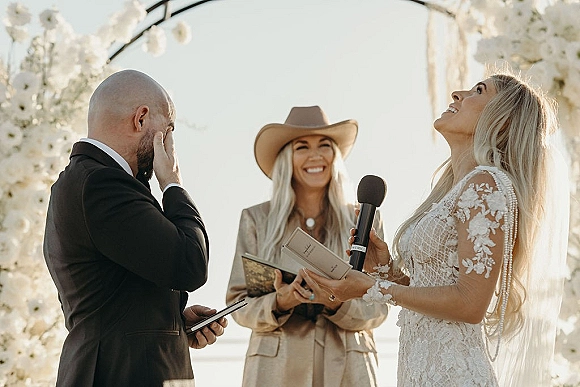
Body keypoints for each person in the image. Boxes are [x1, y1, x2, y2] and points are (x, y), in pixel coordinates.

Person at [302, 71, 569, 386]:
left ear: (503, 121)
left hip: (454, 374)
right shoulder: (456, 189)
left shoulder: (486, 186)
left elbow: (470, 304)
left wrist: (369, 288)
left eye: (478, 91)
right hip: (420, 371)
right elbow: (434, 290)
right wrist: (386, 270)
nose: (457, 93)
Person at [43, 69, 227, 387]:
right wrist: (172, 184)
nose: (169, 143)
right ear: (140, 119)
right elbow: (190, 263)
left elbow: (107, 294)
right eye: (167, 129)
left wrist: (171, 320)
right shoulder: (103, 183)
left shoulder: (83, 180)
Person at [225, 106, 390, 387]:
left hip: (350, 367)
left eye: (324, 145)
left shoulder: (362, 218)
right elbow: (237, 305)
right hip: (276, 370)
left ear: (334, 157)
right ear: (287, 159)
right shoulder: (255, 219)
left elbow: (380, 306)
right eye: (302, 147)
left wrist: (335, 301)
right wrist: (281, 301)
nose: (315, 155)